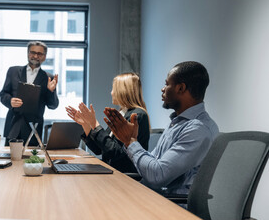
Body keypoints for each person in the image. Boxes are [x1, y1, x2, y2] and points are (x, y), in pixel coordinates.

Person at [104, 61, 219, 195]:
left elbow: (157, 176)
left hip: (172, 207)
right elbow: (152, 163)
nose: (163, 89)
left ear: (181, 88)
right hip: (153, 196)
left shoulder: (197, 129)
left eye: (167, 84)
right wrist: (130, 140)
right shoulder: (178, 123)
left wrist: (130, 142)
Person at [66, 73, 150, 173]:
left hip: (125, 176)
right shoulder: (122, 112)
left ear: (123, 91)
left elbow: (115, 152)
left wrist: (95, 123)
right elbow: (99, 149)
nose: (111, 93)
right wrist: (86, 124)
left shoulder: (137, 115)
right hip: (112, 171)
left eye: (114, 89)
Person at [0, 41, 59, 146]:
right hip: (13, 127)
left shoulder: (48, 78)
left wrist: (51, 91)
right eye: (32, 52)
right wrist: (10, 101)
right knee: (10, 161)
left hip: (34, 130)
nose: (35, 56)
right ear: (28, 53)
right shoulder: (13, 71)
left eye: (40, 54)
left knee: (32, 162)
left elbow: (53, 105)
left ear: (44, 57)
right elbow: (3, 94)